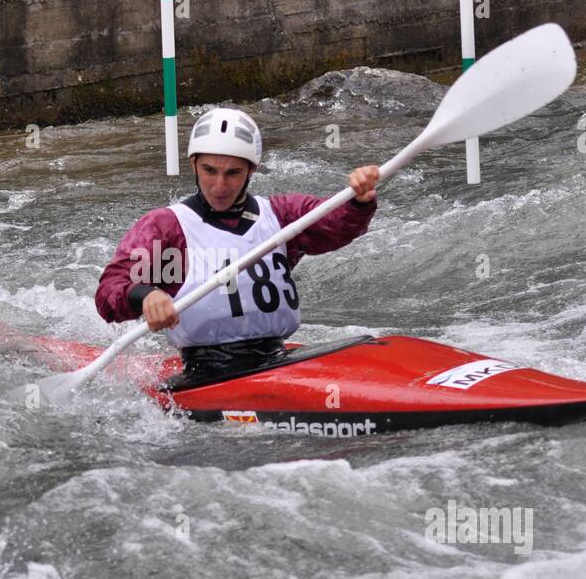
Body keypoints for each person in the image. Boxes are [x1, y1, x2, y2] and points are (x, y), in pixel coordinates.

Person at [95, 107, 380, 380]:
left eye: (233, 173)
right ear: (193, 164)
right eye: (209, 170)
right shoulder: (167, 228)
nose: (220, 186)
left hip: (276, 359)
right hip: (205, 373)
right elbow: (110, 290)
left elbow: (337, 223)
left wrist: (357, 200)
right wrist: (145, 295)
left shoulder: (281, 216)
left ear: (251, 170)